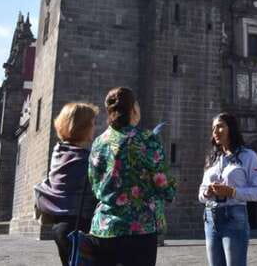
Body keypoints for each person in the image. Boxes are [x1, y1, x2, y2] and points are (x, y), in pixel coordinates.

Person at [88, 87, 176, 266]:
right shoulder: (147, 139)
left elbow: (94, 183)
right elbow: (163, 181)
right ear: (133, 109)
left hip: (104, 228)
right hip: (139, 228)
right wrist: (169, 193)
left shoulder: (99, 142)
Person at [34, 102, 99, 266]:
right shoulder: (85, 160)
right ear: (82, 127)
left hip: (60, 228)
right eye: (92, 123)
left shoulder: (59, 153)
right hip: (79, 229)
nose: (95, 127)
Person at [199, 113, 257, 266]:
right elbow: (201, 194)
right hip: (210, 218)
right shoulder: (211, 159)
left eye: (220, 126)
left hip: (234, 217)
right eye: (213, 128)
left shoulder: (248, 156)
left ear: (231, 128)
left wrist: (233, 192)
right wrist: (207, 192)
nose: (215, 131)